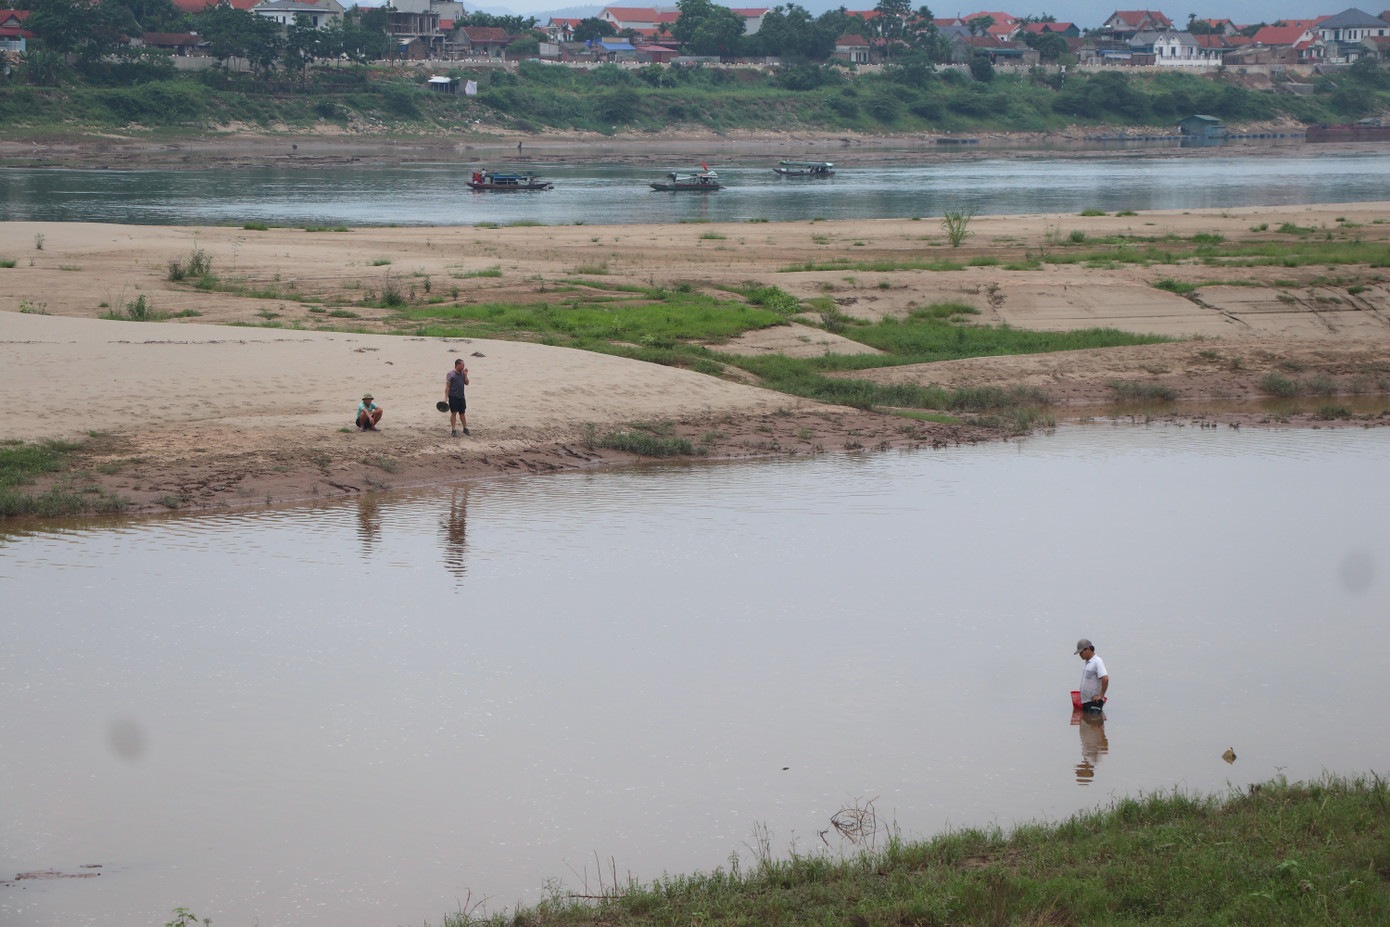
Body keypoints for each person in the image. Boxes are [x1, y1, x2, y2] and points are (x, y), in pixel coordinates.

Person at [1075, 638, 1108, 711]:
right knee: (1087, 721)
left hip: (1094, 702)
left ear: (1088, 649)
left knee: (1094, 721)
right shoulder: (1088, 663)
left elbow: (1105, 678)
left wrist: (1101, 695)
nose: (1080, 655)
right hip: (1086, 702)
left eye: (1081, 652)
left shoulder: (1097, 661)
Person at [445, 358, 470, 437]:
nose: (463, 367)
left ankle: (465, 428)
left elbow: (467, 383)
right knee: (454, 413)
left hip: (461, 396)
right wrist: (445, 398)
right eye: (462, 365)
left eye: (464, 365)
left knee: (462, 413)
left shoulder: (463, 373)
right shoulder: (450, 374)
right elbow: (447, 387)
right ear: (457, 365)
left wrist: (466, 375)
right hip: (453, 396)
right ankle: (453, 430)